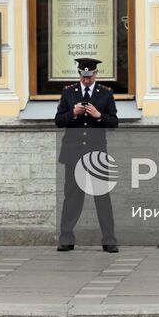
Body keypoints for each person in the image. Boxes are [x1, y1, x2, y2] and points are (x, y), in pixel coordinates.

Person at [55, 56, 119, 253]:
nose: (86, 80)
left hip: (96, 155)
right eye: (83, 76)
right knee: (72, 198)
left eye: (89, 76)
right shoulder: (68, 92)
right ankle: (66, 238)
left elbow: (114, 122)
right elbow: (58, 121)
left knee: (102, 198)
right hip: (74, 154)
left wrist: (98, 116)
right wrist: (73, 112)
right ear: (79, 74)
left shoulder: (105, 94)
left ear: (96, 74)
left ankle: (109, 240)